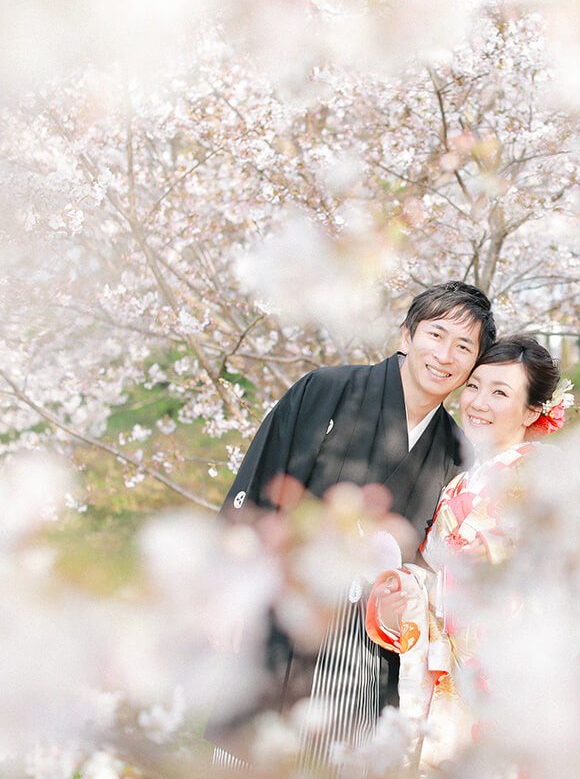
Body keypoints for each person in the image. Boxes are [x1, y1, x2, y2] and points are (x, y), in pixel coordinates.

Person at [206, 281, 496, 771]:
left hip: (364, 658)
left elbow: (440, 568)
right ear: (406, 335)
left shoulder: (456, 454)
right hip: (279, 622)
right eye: (436, 334)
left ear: (473, 366)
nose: (445, 355)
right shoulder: (327, 391)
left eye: (463, 347)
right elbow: (255, 492)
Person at [364, 335, 580, 775]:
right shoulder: (457, 486)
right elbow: (437, 581)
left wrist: (496, 554)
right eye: (474, 386)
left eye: (500, 392)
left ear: (533, 410)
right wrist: (403, 601)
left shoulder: (553, 473)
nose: (478, 402)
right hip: (463, 684)